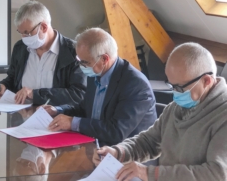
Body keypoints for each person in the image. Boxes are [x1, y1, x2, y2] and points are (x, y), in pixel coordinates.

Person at [93, 42, 227, 181]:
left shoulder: (222, 116)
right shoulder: (177, 106)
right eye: (171, 86)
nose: (175, 93)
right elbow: (149, 141)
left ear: (206, 81)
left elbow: (216, 174)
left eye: (180, 88)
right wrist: (118, 152)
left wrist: (149, 173)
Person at [44, 28, 157, 146]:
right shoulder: (96, 72)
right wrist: (58, 110)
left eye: (84, 62)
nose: (80, 66)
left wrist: (72, 123)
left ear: (104, 59)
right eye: (79, 60)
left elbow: (116, 132)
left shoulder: (136, 85)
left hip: (128, 155)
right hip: (97, 145)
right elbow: (85, 110)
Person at [0, 1, 86, 106]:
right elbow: (13, 78)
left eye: (27, 32)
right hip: (22, 116)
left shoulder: (74, 51)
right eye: (21, 33)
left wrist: (35, 94)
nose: (24, 38)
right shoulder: (20, 48)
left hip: (58, 118)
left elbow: (78, 94)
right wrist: (3, 86)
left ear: (44, 27)